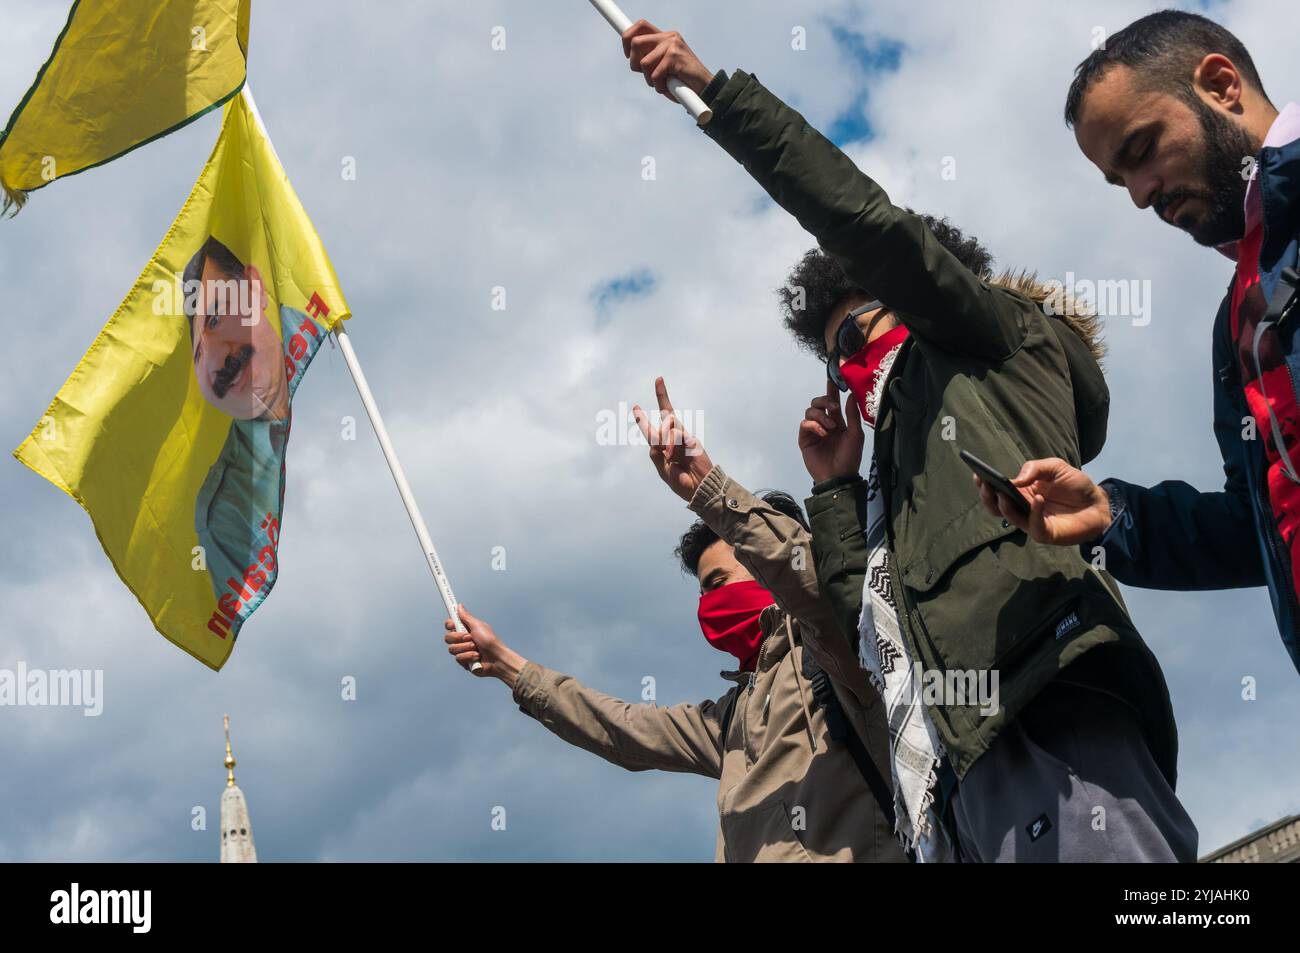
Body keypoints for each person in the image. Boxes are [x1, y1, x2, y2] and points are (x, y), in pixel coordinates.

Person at [619, 21, 1196, 861]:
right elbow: (864, 626)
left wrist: (720, 99)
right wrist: (837, 488)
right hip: (950, 778)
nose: (844, 370)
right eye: (829, 360)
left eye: (854, 338)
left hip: (1042, 712)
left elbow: (870, 227)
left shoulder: (982, 343)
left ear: (912, 302)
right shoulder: (895, 466)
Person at [445, 380, 903, 863]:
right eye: (705, 590)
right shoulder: (734, 718)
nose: (712, 602)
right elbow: (624, 730)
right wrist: (508, 667)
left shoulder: (841, 656)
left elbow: (814, 585)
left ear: (770, 577)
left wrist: (707, 488)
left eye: (723, 580)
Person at [973, 10, 1300, 678]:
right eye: (1119, 181)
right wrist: (1108, 519)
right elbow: (1255, 532)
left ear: (1221, 84)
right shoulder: (1234, 319)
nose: (1141, 195)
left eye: (1142, 149)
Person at [182, 236, 326, 637]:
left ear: (254, 287)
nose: (214, 360)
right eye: (197, 355)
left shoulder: (314, 314)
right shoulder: (220, 519)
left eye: (214, 318)